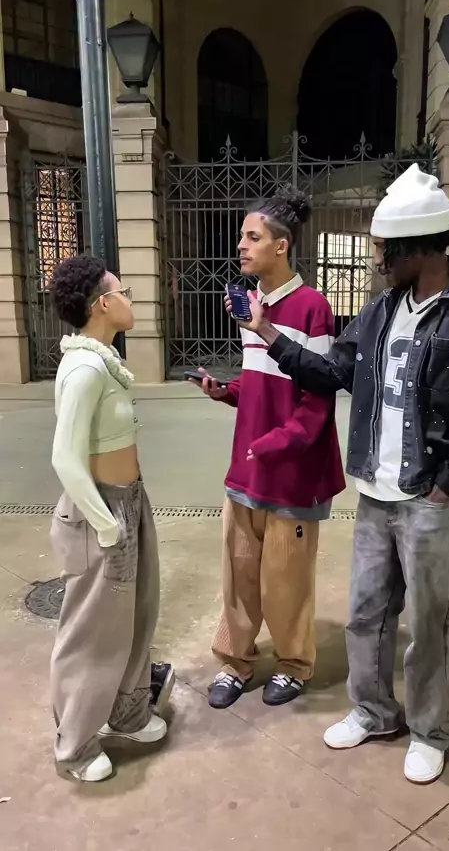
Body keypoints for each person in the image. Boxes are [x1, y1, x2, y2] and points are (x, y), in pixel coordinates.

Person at [229, 163, 449, 784]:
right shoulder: (381, 309)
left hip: (428, 498)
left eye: (386, 249)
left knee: (430, 625)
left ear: (419, 247)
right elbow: (332, 371)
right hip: (375, 491)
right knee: (367, 614)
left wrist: (447, 485)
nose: (378, 259)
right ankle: (373, 711)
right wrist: (269, 335)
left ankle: (429, 730)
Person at [193, 186, 345, 710]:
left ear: (281, 246)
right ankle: (235, 661)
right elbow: (262, 383)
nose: (241, 245)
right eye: (242, 236)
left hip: (292, 474)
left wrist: (276, 444)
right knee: (238, 574)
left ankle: (293, 663)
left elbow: (317, 399)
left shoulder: (313, 308)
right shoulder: (252, 306)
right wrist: (227, 391)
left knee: (285, 579)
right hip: (248, 468)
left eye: (252, 237)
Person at [49, 254, 174, 782]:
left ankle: (128, 713)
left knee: (137, 613)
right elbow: (65, 458)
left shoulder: (102, 363)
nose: (129, 299)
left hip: (128, 500)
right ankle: (75, 745)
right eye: (123, 291)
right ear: (102, 304)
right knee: (92, 632)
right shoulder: (83, 369)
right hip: (99, 510)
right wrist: (104, 524)